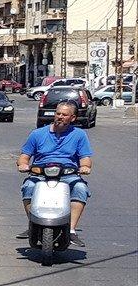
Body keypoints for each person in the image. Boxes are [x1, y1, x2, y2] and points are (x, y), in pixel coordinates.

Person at [16, 101, 92, 246]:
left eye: (65, 115)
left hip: (68, 174)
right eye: (58, 114)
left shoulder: (79, 135)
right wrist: (23, 165)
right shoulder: (37, 134)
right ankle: (32, 222)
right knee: (28, 187)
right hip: (41, 174)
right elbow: (24, 157)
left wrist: (85, 167)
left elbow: (85, 160)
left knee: (80, 188)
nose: (60, 117)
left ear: (73, 118)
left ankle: (71, 230)